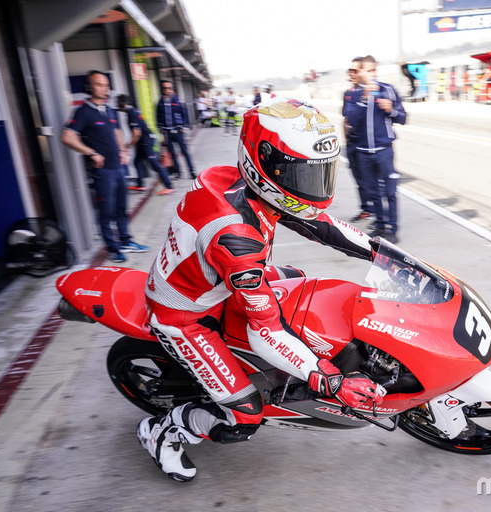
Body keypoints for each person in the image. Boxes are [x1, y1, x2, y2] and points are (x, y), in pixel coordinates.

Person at [136, 97, 385, 482]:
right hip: (186, 315)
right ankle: (163, 431)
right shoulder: (237, 237)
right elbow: (265, 329)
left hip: (217, 280)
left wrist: (386, 254)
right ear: (262, 163)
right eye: (302, 175)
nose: (313, 188)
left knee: (299, 280)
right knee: (245, 416)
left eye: (320, 173)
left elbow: (317, 223)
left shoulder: (234, 178)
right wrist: (330, 380)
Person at [61, 70, 149, 263]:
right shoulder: (83, 112)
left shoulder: (110, 110)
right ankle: (112, 247)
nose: (104, 88)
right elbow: (67, 136)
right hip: (103, 172)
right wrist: (91, 153)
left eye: (106, 85)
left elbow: (116, 131)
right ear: (88, 87)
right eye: (99, 84)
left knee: (121, 208)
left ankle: (126, 241)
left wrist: (123, 151)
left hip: (118, 168)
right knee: (106, 211)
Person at [344, 55, 407, 243]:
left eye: (374, 71)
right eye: (368, 71)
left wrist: (391, 110)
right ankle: (380, 227)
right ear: (361, 72)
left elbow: (403, 118)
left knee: (390, 191)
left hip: (384, 150)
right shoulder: (354, 94)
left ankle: (393, 229)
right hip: (363, 151)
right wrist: (364, 99)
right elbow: (351, 121)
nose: (372, 75)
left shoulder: (388, 90)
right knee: (373, 192)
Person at [117, 94, 174, 196]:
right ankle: (140, 185)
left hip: (146, 142)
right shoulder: (132, 111)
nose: (117, 105)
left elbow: (136, 134)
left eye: (118, 103)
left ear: (122, 103)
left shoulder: (132, 113)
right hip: (142, 142)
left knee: (155, 165)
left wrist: (129, 145)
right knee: (137, 162)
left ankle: (169, 186)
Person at [342, 56, 373, 223]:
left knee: (370, 178)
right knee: (358, 179)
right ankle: (366, 209)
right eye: (350, 70)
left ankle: (376, 210)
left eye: (355, 70)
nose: (352, 73)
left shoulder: (366, 91)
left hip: (365, 142)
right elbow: (345, 119)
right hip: (352, 143)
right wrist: (346, 144)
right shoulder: (348, 93)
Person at [156, 80, 197, 180]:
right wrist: (160, 128)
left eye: (169, 88)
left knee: (185, 152)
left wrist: (184, 127)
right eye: (165, 88)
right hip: (167, 132)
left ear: (172, 89)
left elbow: (184, 114)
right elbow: (158, 116)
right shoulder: (160, 102)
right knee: (172, 153)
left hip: (178, 131)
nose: (167, 90)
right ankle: (178, 173)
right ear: (162, 89)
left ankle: (191, 171)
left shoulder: (177, 101)